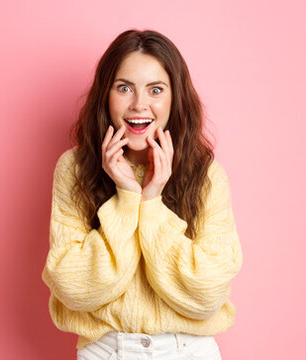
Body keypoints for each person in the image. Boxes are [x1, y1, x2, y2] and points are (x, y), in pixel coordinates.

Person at [41, 29, 242, 360]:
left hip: (188, 351)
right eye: (124, 88)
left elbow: (208, 293)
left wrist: (151, 204)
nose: (139, 105)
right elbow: (75, 288)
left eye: (156, 90)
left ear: (174, 98)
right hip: (105, 352)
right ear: (105, 95)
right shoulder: (75, 169)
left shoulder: (206, 177)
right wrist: (126, 196)